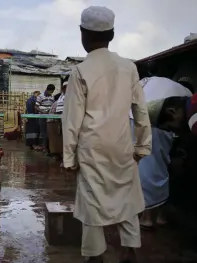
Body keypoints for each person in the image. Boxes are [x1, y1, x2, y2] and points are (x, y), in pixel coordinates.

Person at [62, 6, 152, 263]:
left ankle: (95, 256)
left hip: (92, 147)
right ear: (111, 34)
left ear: (83, 34)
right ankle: (130, 250)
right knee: (126, 195)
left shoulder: (80, 71)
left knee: (93, 199)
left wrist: (69, 158)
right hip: (122, 144)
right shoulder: (129, 68)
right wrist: (143, 147)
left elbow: (72, 120)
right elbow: (141, 112)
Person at [129, 77, 193, 229]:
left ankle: (148, 217)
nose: (170, 131)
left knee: (150, 166)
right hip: (144, 115)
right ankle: (158, 215)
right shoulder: (182, 95)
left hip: (141, 116)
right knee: (157, 165)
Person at [47, 81, 67, 161]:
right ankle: (59, 155)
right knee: (58, 140)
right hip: (56, 122)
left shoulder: (66, 98)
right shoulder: (60, 100)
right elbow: (58, 112)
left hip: (60, 122)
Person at [35, 84, 56, 155]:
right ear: (47, 90)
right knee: (44, 133)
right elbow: (36, 106)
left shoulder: (52, 97)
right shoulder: (40, 97)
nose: (51, 93)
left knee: (50, 132)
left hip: (50, 116)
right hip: (42, 116)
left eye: (52, 92)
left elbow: (53, 106)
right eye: (50, 92)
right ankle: (45, 149)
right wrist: (43, 111)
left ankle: (49, 149)